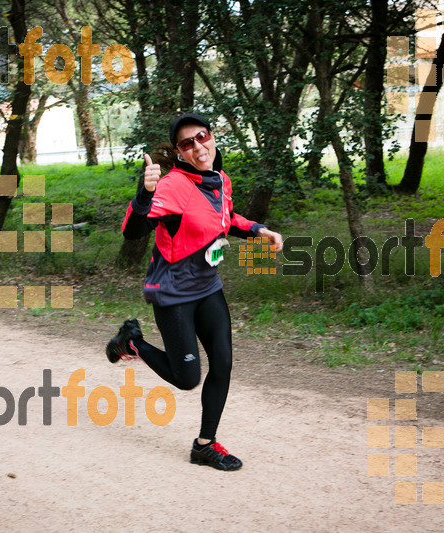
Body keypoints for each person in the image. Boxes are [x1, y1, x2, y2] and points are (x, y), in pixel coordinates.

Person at [106, 113, 283, 471]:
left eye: (202, 136)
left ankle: (205, 444)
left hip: (207, 286)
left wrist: (258, 230)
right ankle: (132, 342)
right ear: (180, 152)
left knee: (223, 362)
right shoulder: (172, 186)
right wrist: (145, 192)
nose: (198, 146)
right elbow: (131, 231)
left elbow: (225, 216)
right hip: (173, 293)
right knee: (187, 378)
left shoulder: (219, 179)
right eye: (188, 143)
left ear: (212, 137)